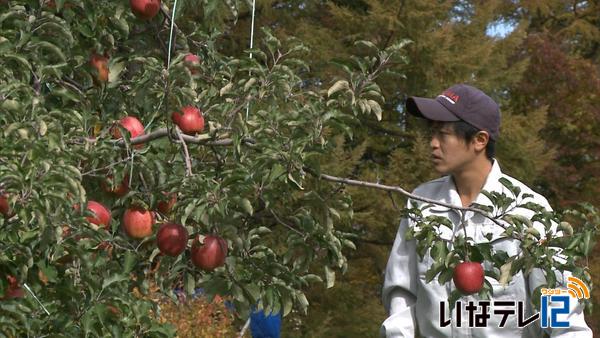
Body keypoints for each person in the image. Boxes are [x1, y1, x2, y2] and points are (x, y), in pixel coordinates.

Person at [380, 84, 592, 337]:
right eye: (432, 132)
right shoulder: (421, 204)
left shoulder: (527, 211)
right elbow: (402, 291)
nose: (433, 143)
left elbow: (559, 308)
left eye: (443, 134)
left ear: (479, 140)